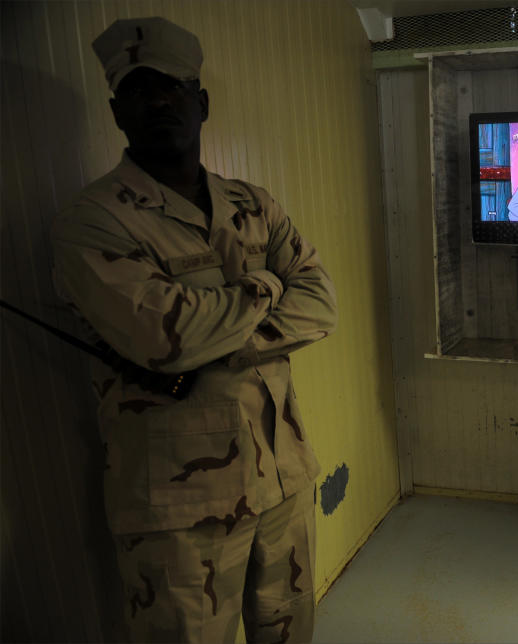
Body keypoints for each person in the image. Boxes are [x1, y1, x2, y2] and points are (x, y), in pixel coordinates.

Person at [51, 17, 336, 643]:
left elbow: (320, 303)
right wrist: (265, 287)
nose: (158, 102)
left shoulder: (253, 204)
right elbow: (165, 339)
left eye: (173, 87)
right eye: (139, 89)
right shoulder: (93, 223)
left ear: (200, 102)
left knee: (290, 632)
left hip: (281, 475)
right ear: (116, 110)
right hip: (177, 511)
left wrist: (217, 332)